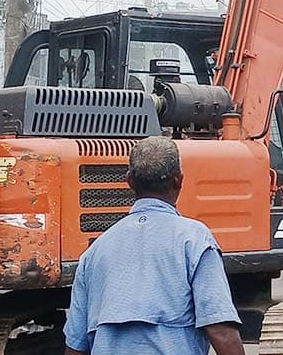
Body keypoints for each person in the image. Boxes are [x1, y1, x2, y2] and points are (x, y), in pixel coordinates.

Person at [63, 136, 244, 355]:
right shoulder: (194, 240)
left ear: (129, 181)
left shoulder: (94, 252)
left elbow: (75, 346)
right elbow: (220, 328)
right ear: (179, 180)